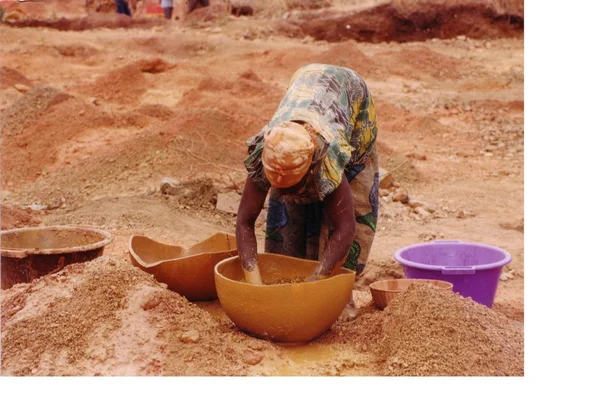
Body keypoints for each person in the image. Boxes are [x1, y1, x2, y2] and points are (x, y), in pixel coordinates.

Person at [236, 63, 379, 320]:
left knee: (350, 212)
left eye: (296, 182)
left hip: (350, 100)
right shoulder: (269, 151)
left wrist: (315, 286)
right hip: (306, 86)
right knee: (287, 214)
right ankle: (285, 281)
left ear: (310, 165)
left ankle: (338, 301)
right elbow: (245, 221)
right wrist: (254, 283)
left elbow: (346, 228)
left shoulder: (327, 154)